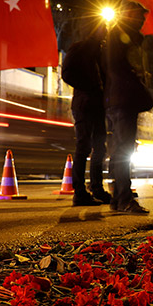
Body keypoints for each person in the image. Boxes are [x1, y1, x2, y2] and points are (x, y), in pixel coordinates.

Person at [101, 2, 153, 214]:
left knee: (119, 149)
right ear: (129, 16)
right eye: (139, 16)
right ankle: (123, 198)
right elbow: (119, 68)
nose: (142, 20)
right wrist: (137, 78)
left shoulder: (118, 36)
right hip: (123, 100)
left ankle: (118, 197)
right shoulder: (121, 36)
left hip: (117, 100)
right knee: (124, 150)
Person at [61, 19, 111, 206]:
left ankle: (97, 188)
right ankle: (79, 192)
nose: (105, 32)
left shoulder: (101, 52)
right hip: (84, 104)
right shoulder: (80, 48)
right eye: (102, 29)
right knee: (84, 147)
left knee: (100, 148)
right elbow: (67, 73)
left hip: (98, 105)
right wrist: (89, 87)